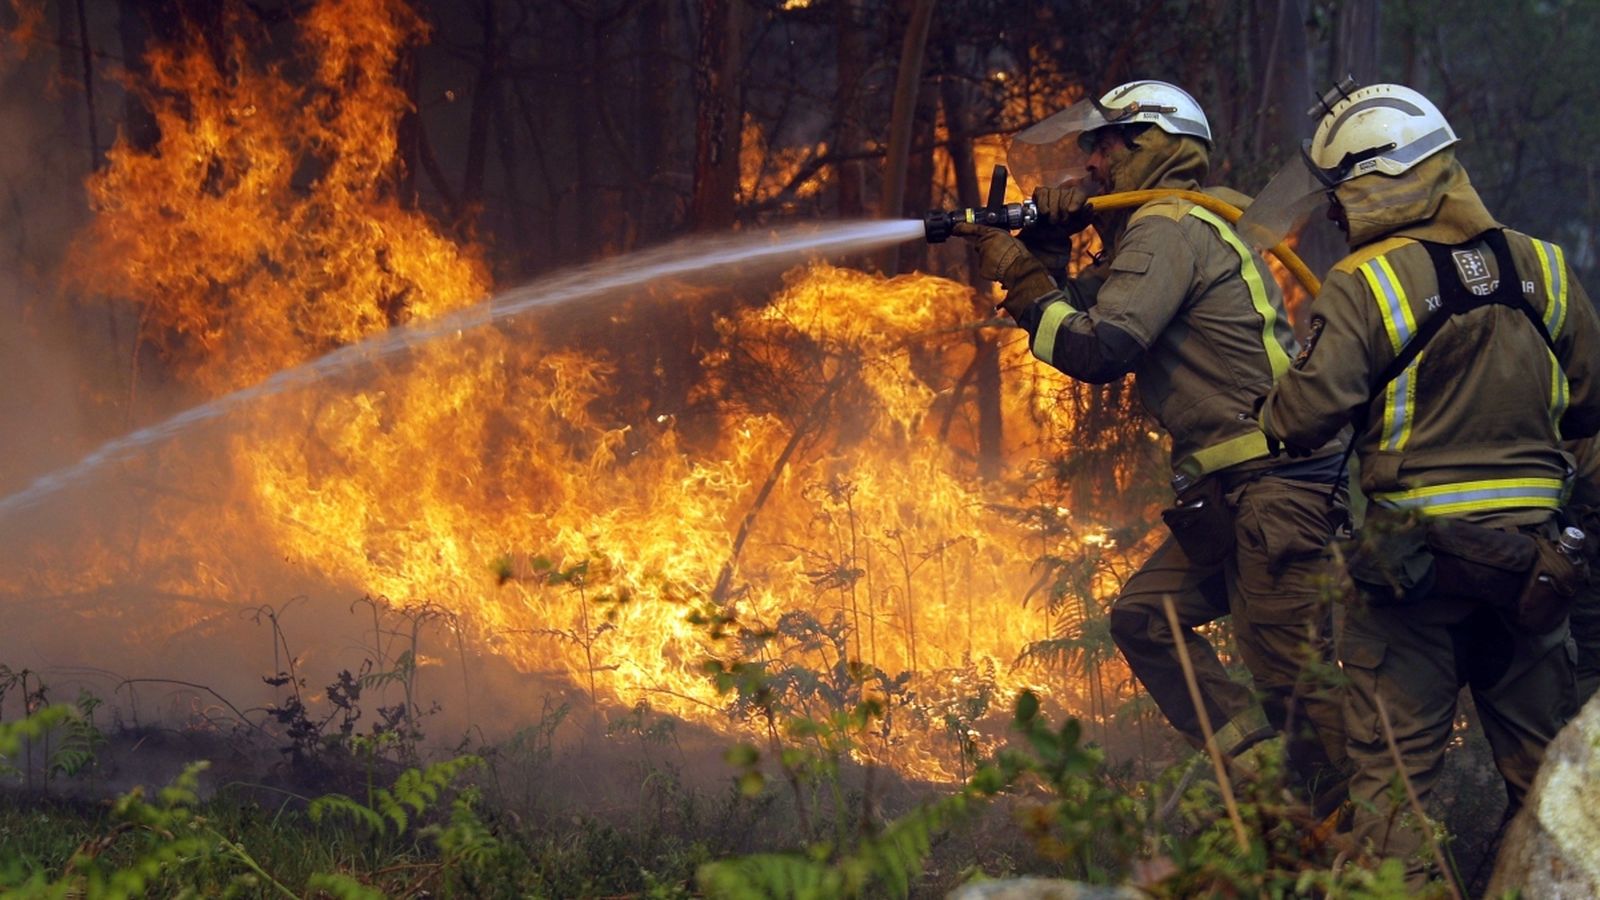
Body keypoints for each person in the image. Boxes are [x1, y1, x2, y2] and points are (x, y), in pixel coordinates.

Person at [956, 80, 1350, 814]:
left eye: (1102, 146)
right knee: (1147, 619)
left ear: (1152, 146)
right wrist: (1047, 254)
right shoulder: (1167, 228)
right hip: (1237, 491)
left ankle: (1363, 836)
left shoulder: (1167, 227)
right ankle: (1271, 793)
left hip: (1275, 487)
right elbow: (1077, 312)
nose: (1089, 164)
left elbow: (1099, 348)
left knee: (1294, 683)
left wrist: (1022, 275)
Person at [1255, 83, 1600, 882]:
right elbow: (1591, 408)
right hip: (1532, 572)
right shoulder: (1547, 268)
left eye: (1341, 191)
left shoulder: (1365, 282)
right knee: (1554, 793)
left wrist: (1270, 404)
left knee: (1395, 801)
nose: (1334, 211)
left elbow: (1302, 418)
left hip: (1412, 579)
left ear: (1381, 179)